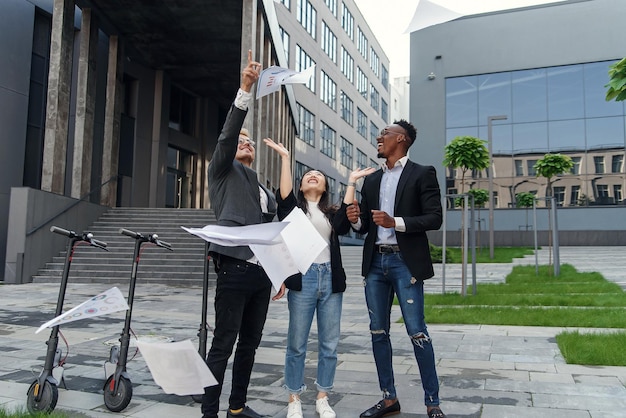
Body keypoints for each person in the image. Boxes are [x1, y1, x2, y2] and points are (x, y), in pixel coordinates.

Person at [337, 120, 446, 418]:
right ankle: (388, 399)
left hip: (404, 262)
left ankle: (432, 402)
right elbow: (364, 229)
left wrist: (394, 222)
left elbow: (434, 218)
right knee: (377, 331)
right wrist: (356, 218)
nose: (378, 137)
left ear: (401, 139)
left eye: (384, 133)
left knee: (417, 332)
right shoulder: (372, 180)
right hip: (375, 263)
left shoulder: (422, 174)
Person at [202, 50, 285, 418]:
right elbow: (227, 136)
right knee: (224, 343)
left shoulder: (258, 183)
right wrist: (245, 90)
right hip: (234, 268)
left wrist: (279, 272)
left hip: (261, 273)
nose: (247, 143)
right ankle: (209, 411)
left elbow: (273, 228)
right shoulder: (222, 171)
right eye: (242, 141)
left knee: (251, 343)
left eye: (251, 142)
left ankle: (237, 407)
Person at [264, 138, 353, 418]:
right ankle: (294, 398)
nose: (313, 176)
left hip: (330, 281)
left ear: (325, 187)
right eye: (308, 176)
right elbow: (284, 195)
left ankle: (323, 396)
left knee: (329, 344)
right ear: (301, 186)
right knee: (297, 343)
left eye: (319, 176)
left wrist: (351, 182)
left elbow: (344, 226)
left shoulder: (332, 213)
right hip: (303, 280)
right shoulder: (294, 211)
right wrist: (286, 158)